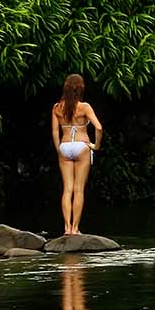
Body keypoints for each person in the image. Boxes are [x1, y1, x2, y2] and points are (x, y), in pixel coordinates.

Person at [50, 74, 103, 236]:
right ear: (80, 89)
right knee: (79, 190)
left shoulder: (57, 107)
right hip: (81, 146)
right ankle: (75, 228)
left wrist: (59, 149)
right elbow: (99, 128)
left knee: (67, 190)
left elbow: (54, 132)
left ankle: (66, 228)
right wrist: (96, 146)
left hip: (65, 146)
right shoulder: (84, 107)